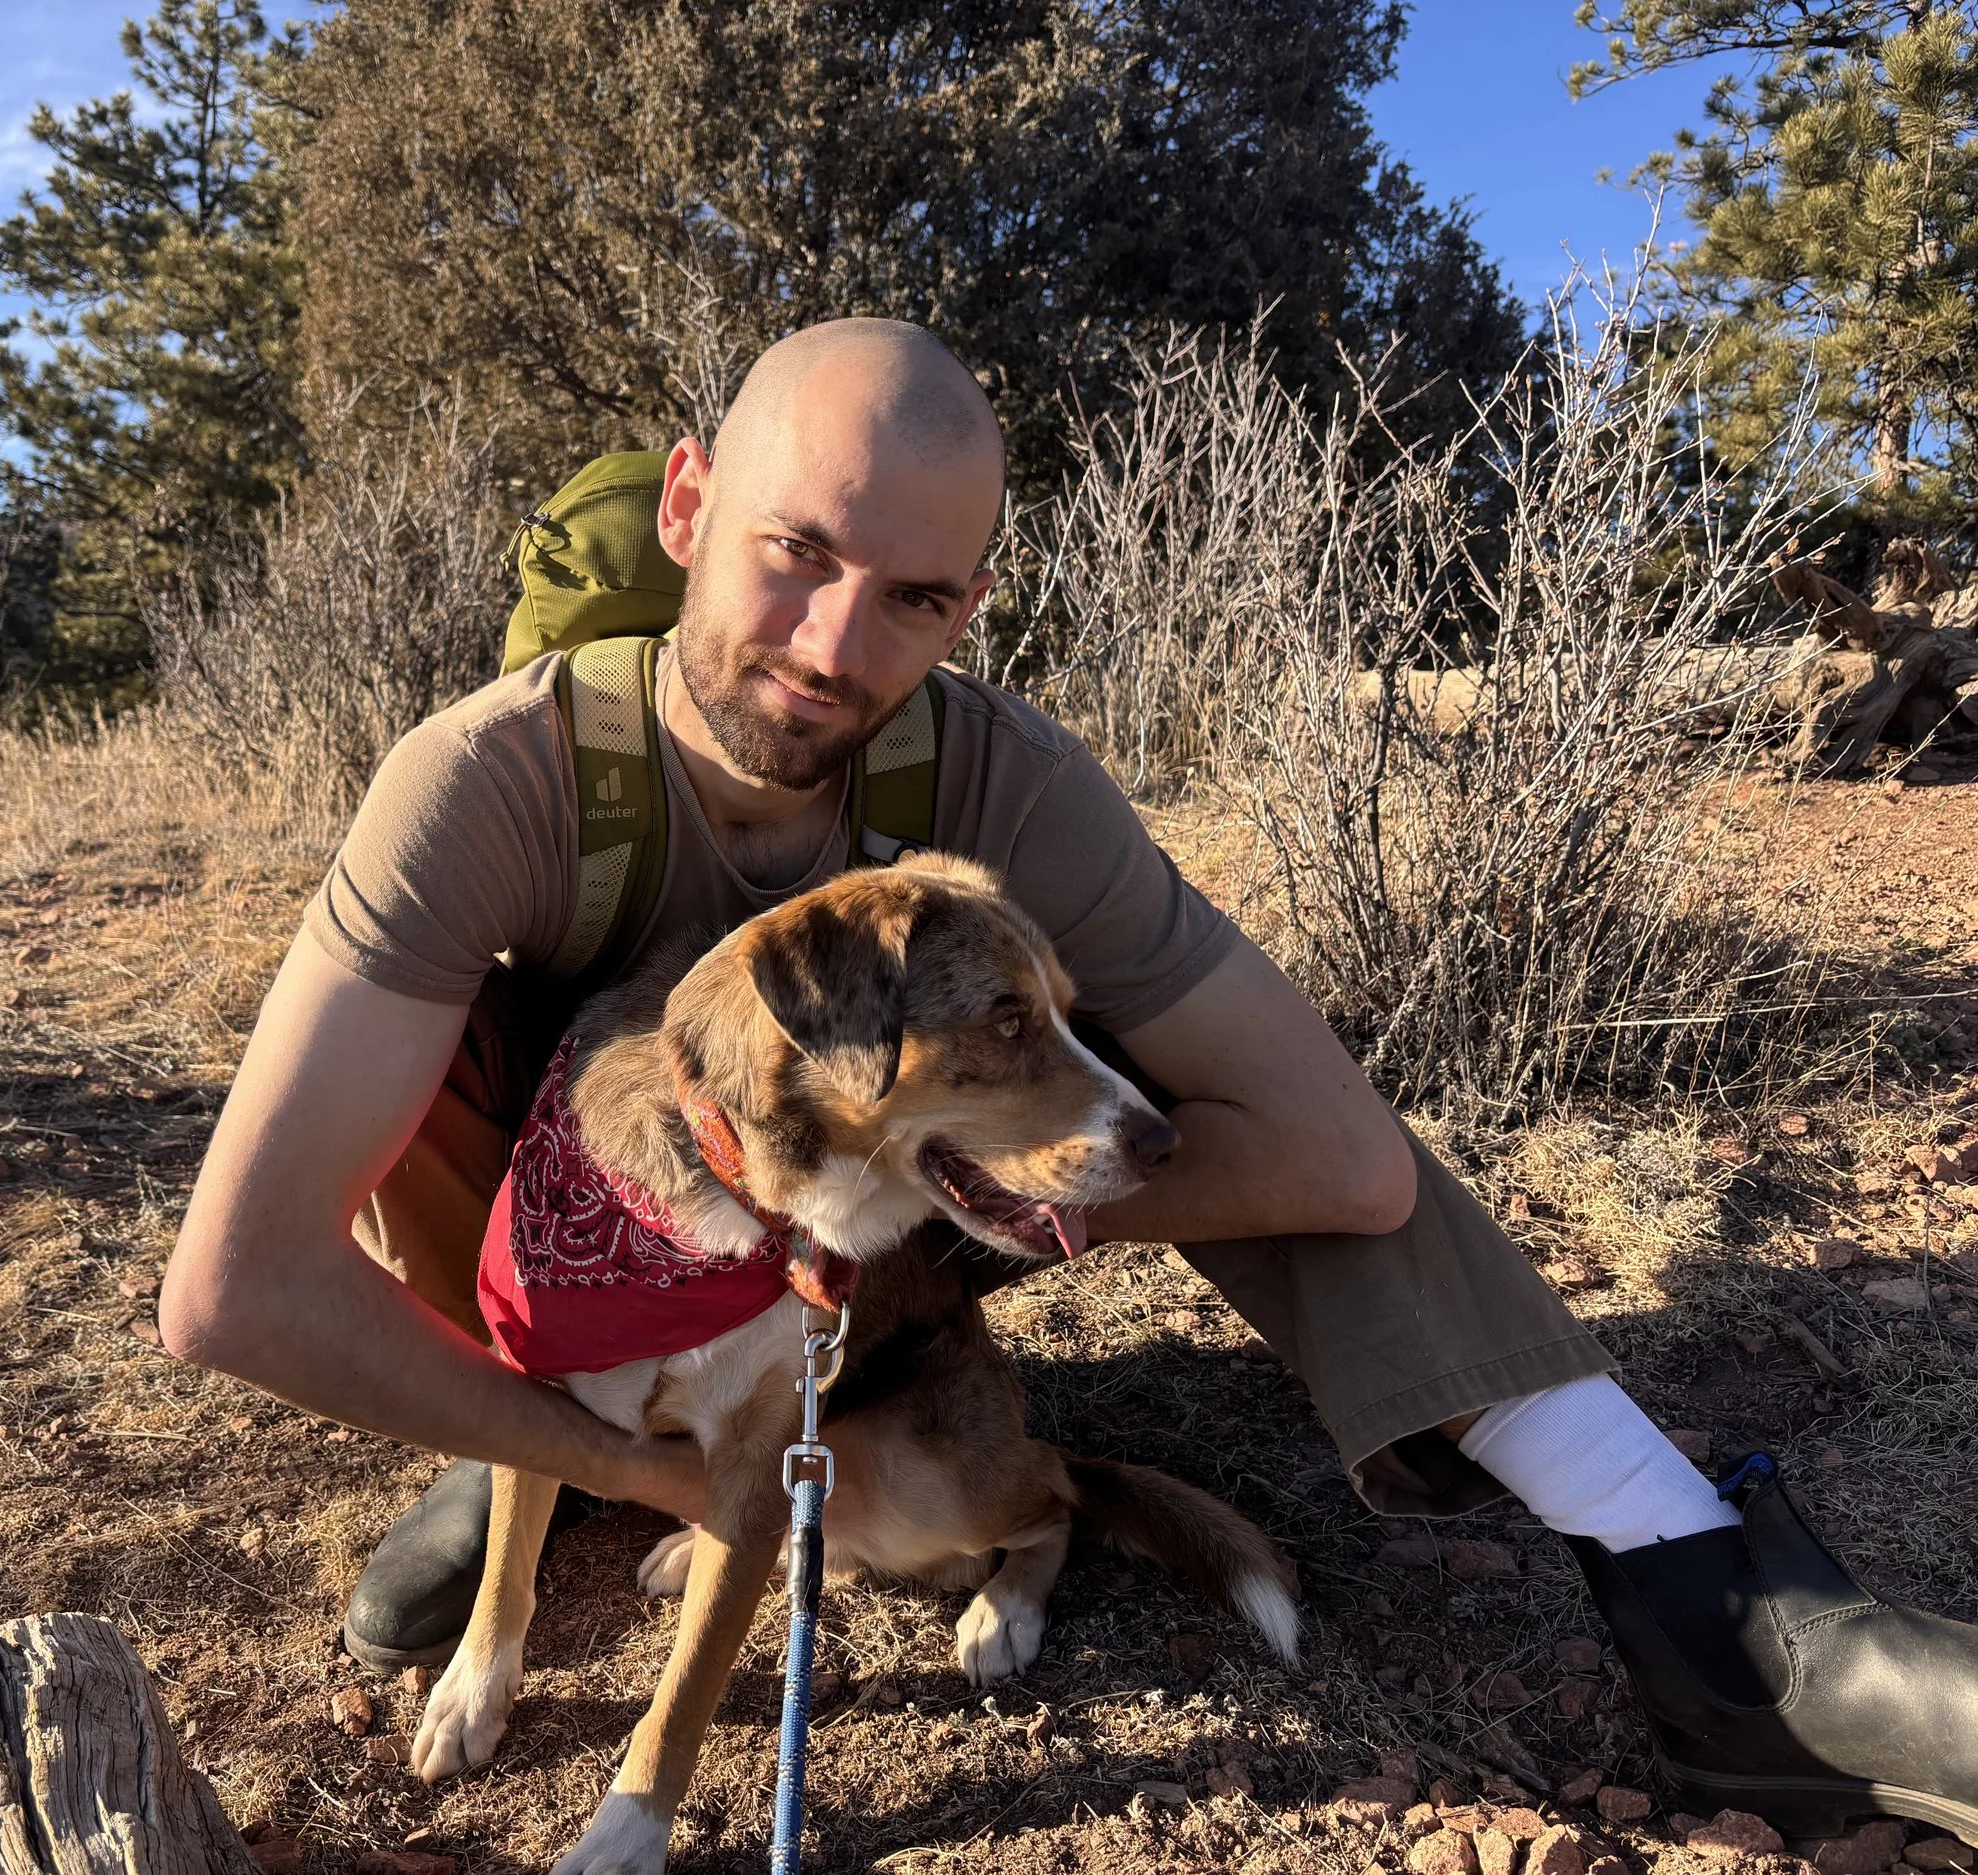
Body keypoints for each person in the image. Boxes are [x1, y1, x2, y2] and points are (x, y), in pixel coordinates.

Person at [163, 319, 1978, 1839]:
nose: (832, 647)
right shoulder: (492, 776)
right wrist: (592, 1455)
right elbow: (238, 1283)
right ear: (690, 500)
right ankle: (522, 1448)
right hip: (557, 1254)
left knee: (1238, 1133)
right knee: (446, 1073)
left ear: (975, 601)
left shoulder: (1004, 778)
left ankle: (1717, 1594)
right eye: (797, 552)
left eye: (915, 598)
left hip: (872, 1225)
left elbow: (1339, 1162)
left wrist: (981, 1204)